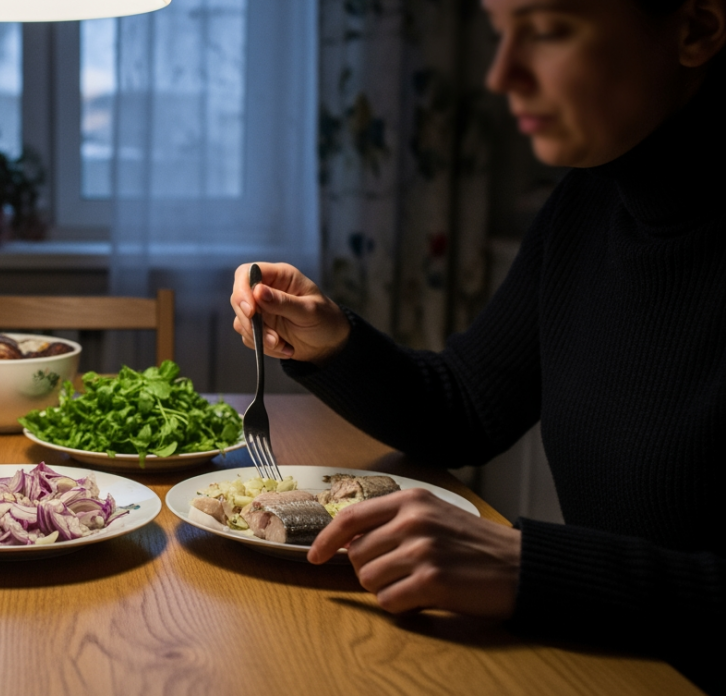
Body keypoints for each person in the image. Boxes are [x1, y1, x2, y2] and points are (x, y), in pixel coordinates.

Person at [230, 0, 725, 689]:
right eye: (500, 31)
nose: (501, 75)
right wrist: (333, 343)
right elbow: (466, 407)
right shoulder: (587, 202)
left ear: (695, 28)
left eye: (547, 31)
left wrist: (530, 567)